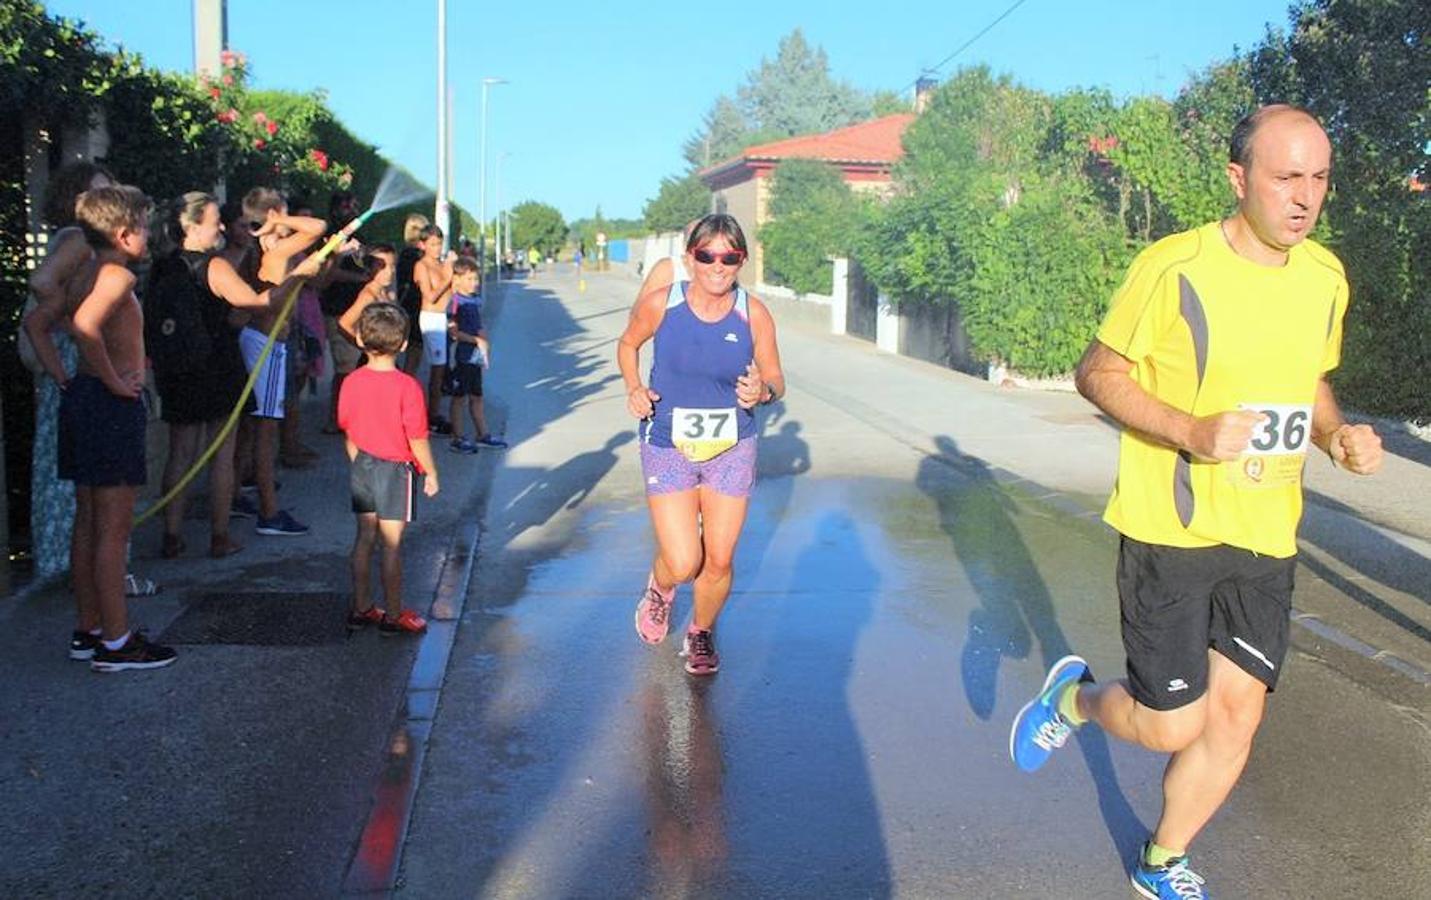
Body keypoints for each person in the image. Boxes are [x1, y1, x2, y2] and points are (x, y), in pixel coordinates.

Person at [1008, 105, 1384, 899]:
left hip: (1266, 536)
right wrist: (1189, 430)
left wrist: (1336, 434)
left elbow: (1308, 381)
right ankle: (1072, 699)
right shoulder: (1174, 267)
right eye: (1286, 177)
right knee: (1171, 724)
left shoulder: (1324, 277)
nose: (1304, 197)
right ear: (1237, 177)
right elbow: (1096, 374)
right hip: (1169, 530)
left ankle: (1159, 858)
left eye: (1318, 179)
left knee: (1237, 719)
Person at [616, 213, 784, 675]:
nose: (718, 265)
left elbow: (775, 377)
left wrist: (763, 392)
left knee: (720, 557)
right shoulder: (661, 303)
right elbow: (628, 344)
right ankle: (661, 587)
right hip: (667, 441)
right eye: (707, 255)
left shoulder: (753, 313)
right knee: (684, 559)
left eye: (729, 256)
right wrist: (633, 387)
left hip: (733, 446)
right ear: (690, 258)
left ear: (741, 260)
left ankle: (701, 632)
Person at [150, 192, 318, 560]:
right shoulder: (214, 266)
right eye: (214, 221)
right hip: (216, 364)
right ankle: (220, 535)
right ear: (192, 226)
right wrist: (297, 277)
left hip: (178, 369)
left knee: (179, 452)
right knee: (222, 453)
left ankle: (172, 535)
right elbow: (259, 303)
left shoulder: (164, 265)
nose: (222, 227)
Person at [58, 185, 176, 671]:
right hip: (108, 405)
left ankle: (89, 630)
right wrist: (114, 380)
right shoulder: (117, 275)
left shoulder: (84, 269)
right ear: (124, 234)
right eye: (145, 227)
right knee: (112, 530)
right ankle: (117, 641)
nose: (149, 236)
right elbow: (85, 326)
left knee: (88, 524)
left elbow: (58, 320)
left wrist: (73, 376)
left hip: (86, 400)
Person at [337, 302, 438, 637]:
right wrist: (430, 472)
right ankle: (394, 615)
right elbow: (418, 437)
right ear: (405, 344)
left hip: (362, 464)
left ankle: (362, 607)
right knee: (392, 545)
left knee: (364, 539)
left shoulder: (351, 382)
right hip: (396, 470)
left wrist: (358, 460)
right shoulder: (407, 386)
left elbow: (347, 428)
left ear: (361, 342)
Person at [235, 187, 326, 537]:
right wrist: (279, 220)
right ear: (274, 213)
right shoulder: (276, 248)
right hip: (268, 344)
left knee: (254, 428)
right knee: (266, 429)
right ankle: (269, 512)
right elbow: (316, 226)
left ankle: (242, 494)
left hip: (263, 341)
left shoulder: (263, 251)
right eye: (286, 212)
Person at [443, 256, 507, 453]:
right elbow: (453, 332)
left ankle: (482, 434)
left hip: (475, 357)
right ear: (458, 279)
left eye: (476, 279)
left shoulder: (474, 300)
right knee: (459, 397)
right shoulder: (455, 302)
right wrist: (475, 340)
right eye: (470, 279)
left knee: (477, 396)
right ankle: (457, 437)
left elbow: (478, 326)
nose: (475, 283)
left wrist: (483, 342)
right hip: (463, 356)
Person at [317, 192, 369, 434]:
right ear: (337, 209)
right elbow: (327, 276)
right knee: (344, 369)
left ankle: (353, 415)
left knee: (358, 366)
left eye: (356, 205)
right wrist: (361, 277)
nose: (354, 210)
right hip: (338, 309)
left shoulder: (359, 237)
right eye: (348, 206)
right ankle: (335, 418)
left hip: (358, 308)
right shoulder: (331, 237)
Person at [412, 224, 455, 433]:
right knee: (437, 369)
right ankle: (432, 416)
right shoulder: (422, 266)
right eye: (433, 244)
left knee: (442, 368)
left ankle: (434, 413)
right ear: (423, 245)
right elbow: (429, 295)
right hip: (431, 317)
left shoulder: (441, 264)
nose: (437, 248)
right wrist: (447, 277)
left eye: (439, 243)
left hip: (443, 317)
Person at [338, 244, 397, 347]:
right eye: (381, 266)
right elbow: (344, 324)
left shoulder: (384, 292)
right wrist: (365, 349)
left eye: (392, 265)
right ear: (370, 267)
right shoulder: (369, 296)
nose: (390, 271)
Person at [395, 213, 429, 376]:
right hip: (416, 307)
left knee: (411, 353)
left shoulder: (404, 254)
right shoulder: (416, 257)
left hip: (406, 305)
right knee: (414, 355)